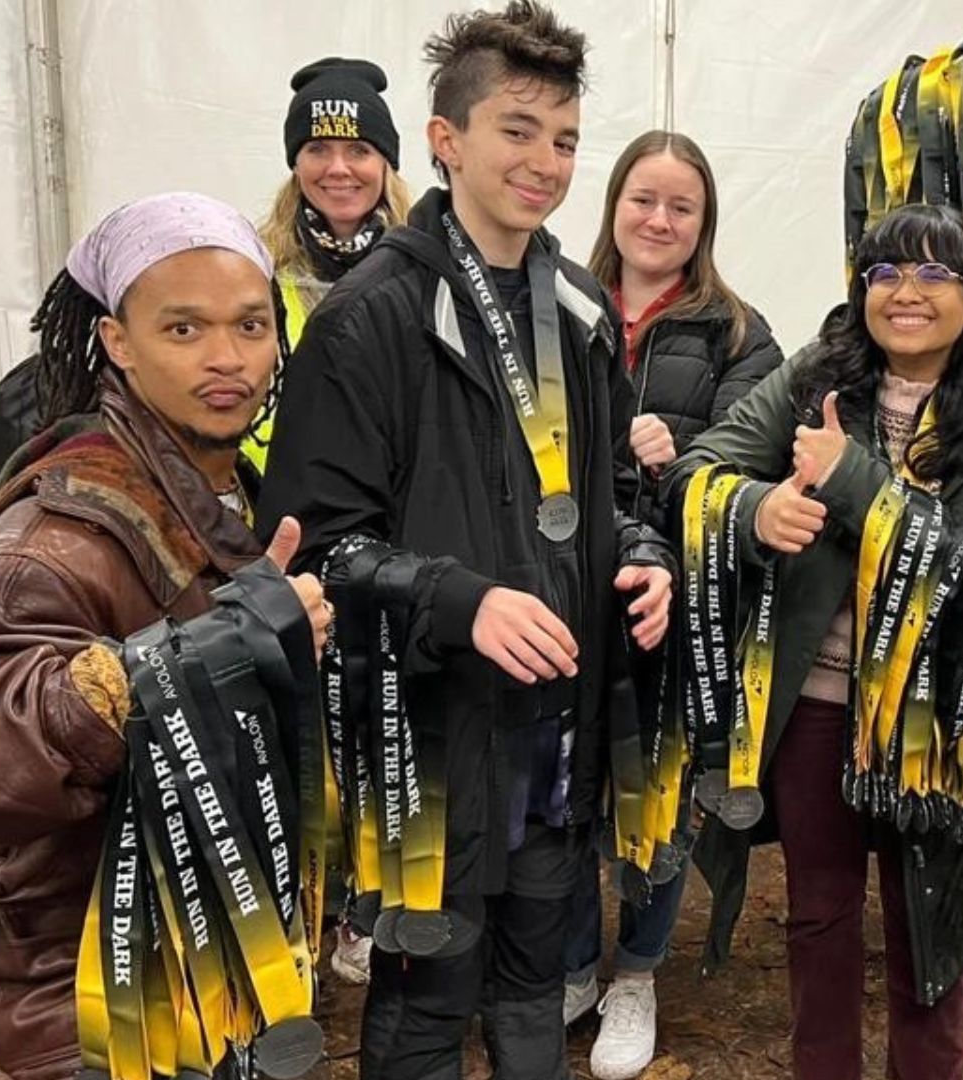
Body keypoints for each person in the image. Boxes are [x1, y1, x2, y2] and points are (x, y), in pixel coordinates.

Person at [253, 4, 676, 1078]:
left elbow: (614, 493)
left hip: (555, 735)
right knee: (424, 1014)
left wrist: (645, 559)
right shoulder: (367, 318)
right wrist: (460, 600)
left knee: (539, 993)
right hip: (428, 748)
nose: (547, 163)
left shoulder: (580, 308)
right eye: (518, 130)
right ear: (446, 141)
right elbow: (315, 553)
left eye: (567, 138)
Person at [0, 192, 330, 1080]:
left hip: (213, 970)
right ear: (118, 342)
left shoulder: (236, 495)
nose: (227, 358)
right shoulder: (60, 532)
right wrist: (190, 662)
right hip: (93, 1008)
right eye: (183, 330)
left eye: (250, 325)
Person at [665, 204, 963, 1080]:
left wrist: (852, 480)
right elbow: (696, 471)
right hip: (818, 708)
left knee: (934, 933)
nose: (905, 292)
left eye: (934, 273)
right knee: (819, 918)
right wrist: (754, 507)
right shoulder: (814, 381)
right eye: (884, 273)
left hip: (937, 724)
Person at [559, 128, 784, 1080]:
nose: (658, 220)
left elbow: (753, 463)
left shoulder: (740, 331)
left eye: (679, 206)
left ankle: (638, 972)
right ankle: (570, 961)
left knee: (658, 792)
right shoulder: (553, 301)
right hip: (566, 590)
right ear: (613, 206)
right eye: (642, 199)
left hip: (681, 603)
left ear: (704, 224)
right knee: (563, 788)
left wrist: (673, 460)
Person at [245, 55, 413, 474]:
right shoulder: (255, 270)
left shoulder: (424, 266)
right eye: (317, 148)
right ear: (295, 163)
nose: (338, 169)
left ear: (384, 164)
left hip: (390, 507)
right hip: (276, 503)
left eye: (359, 149)